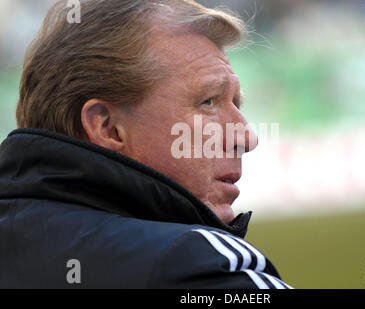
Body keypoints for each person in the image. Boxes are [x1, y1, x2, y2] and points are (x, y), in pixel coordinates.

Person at [0, 0, 292, 289]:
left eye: (237, 104)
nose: (245, 137)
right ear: (108, 127)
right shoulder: (194, 265)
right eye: (208, 102)